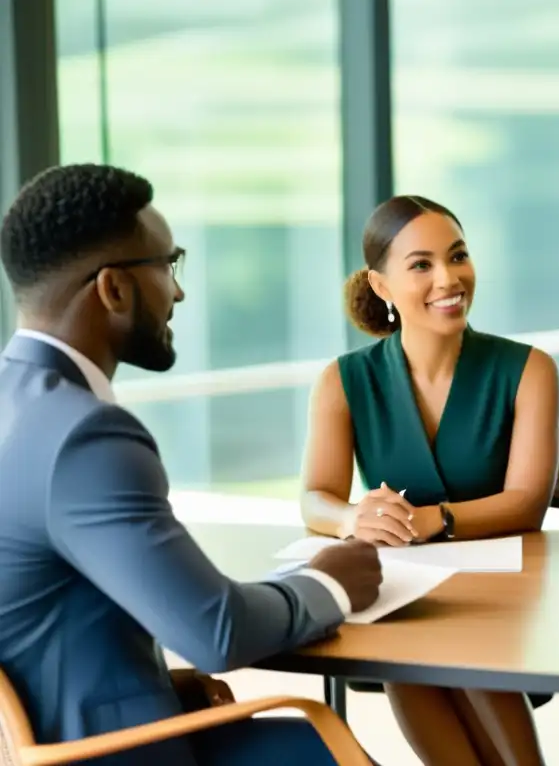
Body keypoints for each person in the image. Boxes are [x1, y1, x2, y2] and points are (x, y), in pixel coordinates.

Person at [0, 164, 383, 766]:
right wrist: (332, 582)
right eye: (168, 265)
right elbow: (217, 633)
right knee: (326, 744)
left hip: (57, 737)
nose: (177, 292)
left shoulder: (16, 406)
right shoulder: (82, 435)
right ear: (113, 289)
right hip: (115, 755)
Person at [300, 195, 559, 766]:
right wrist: (352, 517)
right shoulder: (344, 381)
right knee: (407, 633)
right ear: (382, 285)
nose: (450, 278)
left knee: (443, 640)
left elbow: (526, 503)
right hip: (404, 595)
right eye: (421, 264)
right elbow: (314, 497)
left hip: (503, 599)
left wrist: (432, 521)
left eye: (458, 256)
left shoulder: (529, 369)